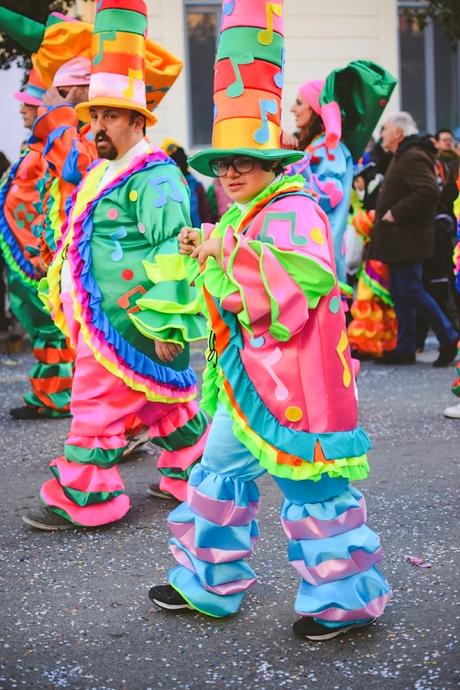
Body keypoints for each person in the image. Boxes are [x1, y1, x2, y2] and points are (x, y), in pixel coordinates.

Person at [148, 0, 391, 642]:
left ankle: (343, 601)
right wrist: (207, 252)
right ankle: (206, 585)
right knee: (217, 473)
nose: (229, 172)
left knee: (312, 490)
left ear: (271, 163)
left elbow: (307, 275)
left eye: (242, 162)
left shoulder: (297, 207)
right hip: (244, 382)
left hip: (296, 387)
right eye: (223, 163)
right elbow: (233, 281)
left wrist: (224, 251)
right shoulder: (241, 213)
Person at [22, 0, 208, 531]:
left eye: (107, 116)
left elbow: (173, 248)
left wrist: (171, 323)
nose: (97, 125)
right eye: (94, 115)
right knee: (165, 406)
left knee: (96, 405)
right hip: (108, 320)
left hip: (129, 324)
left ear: (135, 119)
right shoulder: (109, 169)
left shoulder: (156, 176)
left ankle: (84, 499)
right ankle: (195, 475)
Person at [0, 67, 77, 419]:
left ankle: (58, 397)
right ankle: (47, 392)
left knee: (51, 328)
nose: (21, 110)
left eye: (29, 104)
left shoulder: (49, 150)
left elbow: (48, 202)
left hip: (35, 257)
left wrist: (41, 250)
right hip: (23, 253)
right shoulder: (34, 148)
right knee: (41, 329)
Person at [286, 62, 396, 285]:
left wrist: (290, 165)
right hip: (310, 250)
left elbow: (328, 196)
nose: (292, 109)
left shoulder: (330, 147)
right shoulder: (315, 146)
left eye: (299, 103)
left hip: (321, 253)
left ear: (316, 109)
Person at [369, 112, 458, 366]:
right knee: (401, 292)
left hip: (407, 239)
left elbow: (428, 191)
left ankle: (448, 336)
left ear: (398, 133)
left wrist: (395, 213)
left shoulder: (412, 156)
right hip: (401, 241)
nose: (382, 135)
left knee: (411, 290)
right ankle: (406, 347)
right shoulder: (403, 154)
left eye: (385, 130)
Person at [161, 139, 213, 226]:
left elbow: (206, 216)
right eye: (171, 166)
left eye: (178, 164)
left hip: (196, 234)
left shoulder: (196, 187)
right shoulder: (162, 188)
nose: (176, 169)